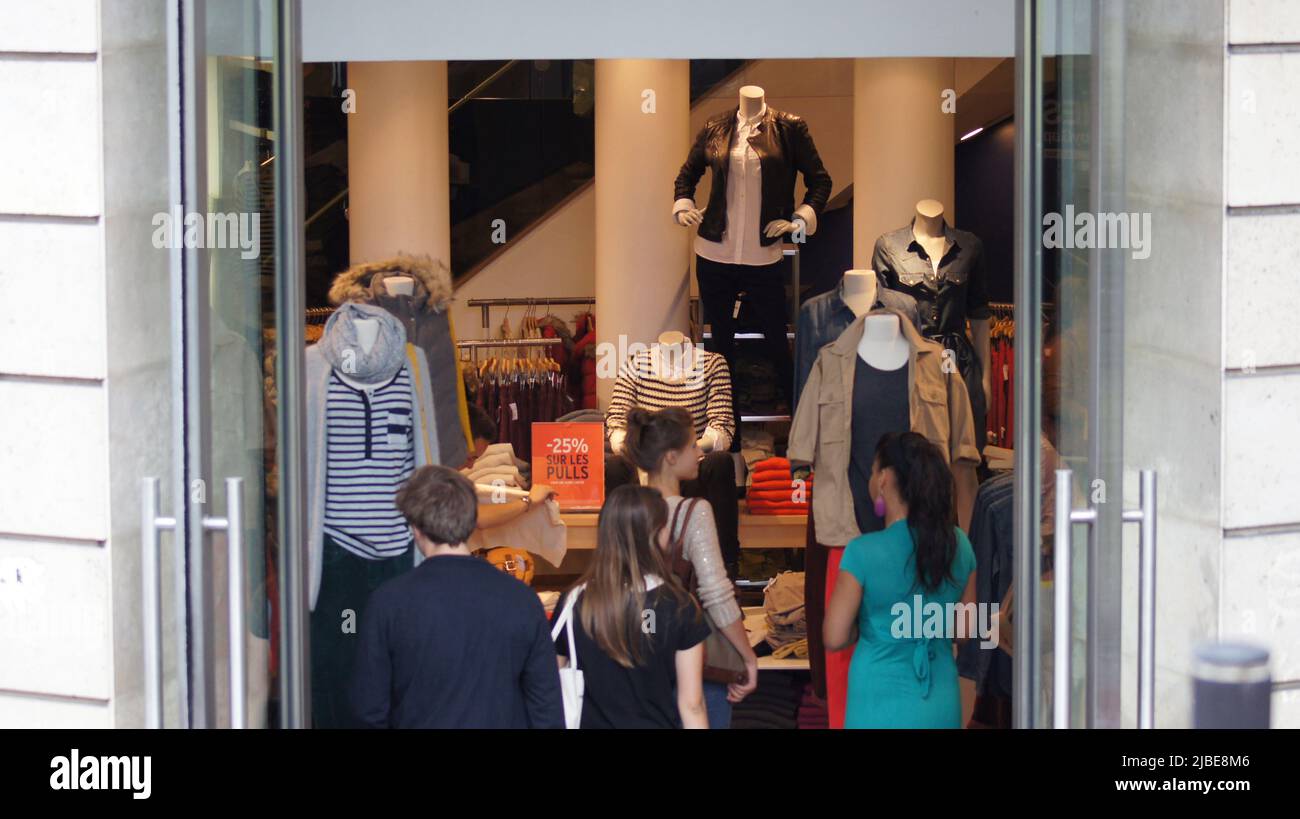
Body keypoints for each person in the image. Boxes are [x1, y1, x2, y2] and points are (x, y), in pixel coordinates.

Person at [349, 465, 563, 728]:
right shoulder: (522, 599)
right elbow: (546, 709)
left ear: (415, 527)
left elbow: (369, 711)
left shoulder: (387, 603)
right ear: (472, 520)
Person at [824, 431, 977, 729]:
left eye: (872, 470)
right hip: (939, 701)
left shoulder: (861, 553)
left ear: (884, 479)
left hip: (877, 702)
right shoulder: (960, 544)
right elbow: (965, 631)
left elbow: (834, 636)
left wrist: (868, 626)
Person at [623, 407, 759, 727]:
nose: (699, 452)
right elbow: (716, 594)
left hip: (637, 661)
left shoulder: (626, 509)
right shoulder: (693, 512)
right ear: (671, 456)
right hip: (694, 659)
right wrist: (747, 657)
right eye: (692, 446)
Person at [553, 485, 711, 728]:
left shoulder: (574, 601)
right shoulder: (679, 606)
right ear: (654, 535)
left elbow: (549, 682)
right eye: (665, 524)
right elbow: (692, 704)